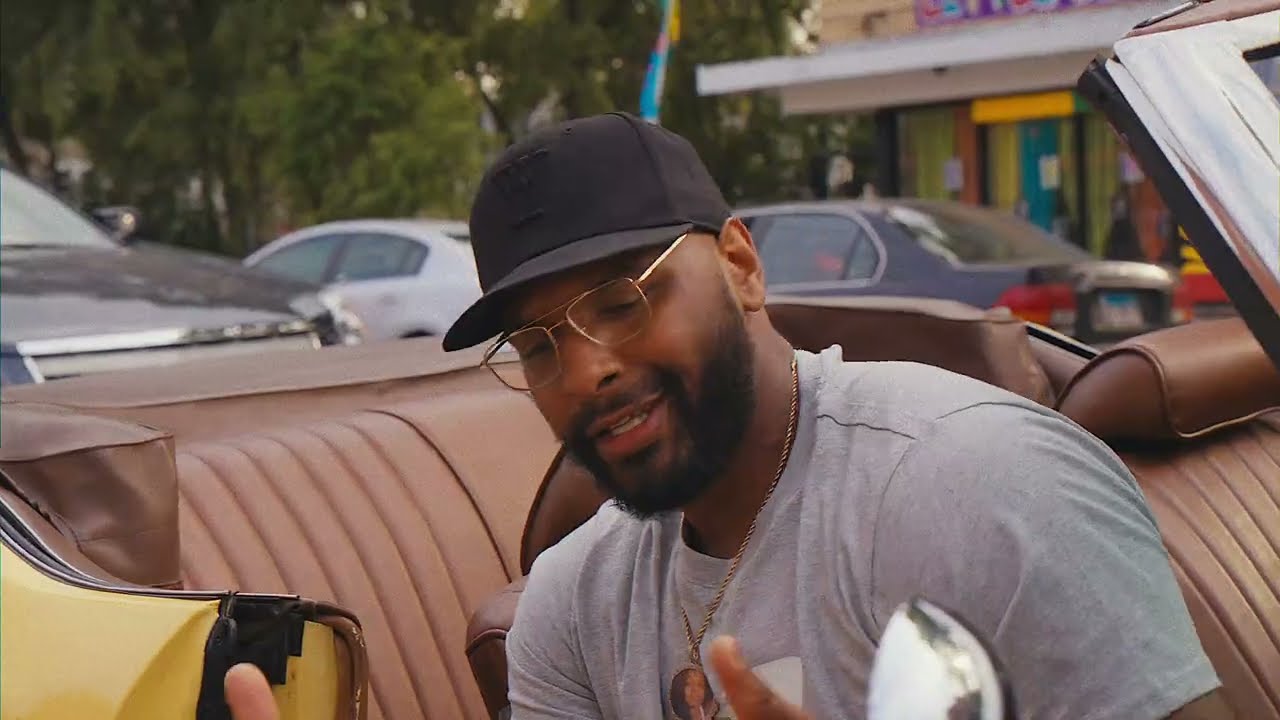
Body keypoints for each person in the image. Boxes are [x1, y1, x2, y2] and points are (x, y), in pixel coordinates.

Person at [223, 112, 1232, 720]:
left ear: (742, 266)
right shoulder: (568, 606)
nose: (586, 371)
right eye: (536, 345)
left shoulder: (976, 483)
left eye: (623, 300)